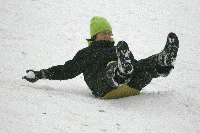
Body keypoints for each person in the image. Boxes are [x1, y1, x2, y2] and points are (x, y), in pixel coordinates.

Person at [22, 16, 179, 99]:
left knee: (141, 66)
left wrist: (139, 65)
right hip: (104, 88)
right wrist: (40, 74)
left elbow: (136, 65)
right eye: (104, 33)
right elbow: (66, 70)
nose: (108, 36)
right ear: (94, 36)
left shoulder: (118, 49)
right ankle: (119, 74)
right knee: (111, 67)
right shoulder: (87, 53)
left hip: (132, 85)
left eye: (109, 33)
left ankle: (163, 62)